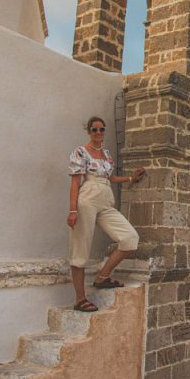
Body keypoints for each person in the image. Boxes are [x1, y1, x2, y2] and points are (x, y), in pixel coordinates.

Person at [67, 116, 145, 312]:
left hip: (106, 199)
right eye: (94, 130)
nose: (98, 133)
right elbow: (75, 182)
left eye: (102, 129)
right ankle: (79, 299)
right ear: (89, 131)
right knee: (80, 250)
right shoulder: (81, 152)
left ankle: (102, 277)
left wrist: (130, 178)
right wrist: (73, 210)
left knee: (129, 238)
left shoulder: (107, 154)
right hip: (87, 198)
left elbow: (110, 178)